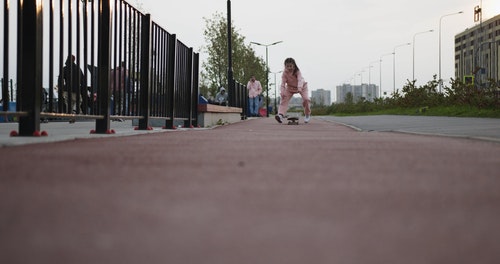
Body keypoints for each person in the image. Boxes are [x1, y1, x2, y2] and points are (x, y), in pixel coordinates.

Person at [275, 57, 311, 123]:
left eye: (291, 66)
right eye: (287, 66)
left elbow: (300, 80)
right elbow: (282, 84)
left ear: (294, 65)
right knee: (284, 99)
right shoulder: (284, 74)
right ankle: (280, 115)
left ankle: (307, 114)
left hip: (302, 87)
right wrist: (282, 92)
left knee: (306, 99)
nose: (289, 68)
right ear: (285, 66)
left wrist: (299, 88)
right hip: (290, 88)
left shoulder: (297, 71)